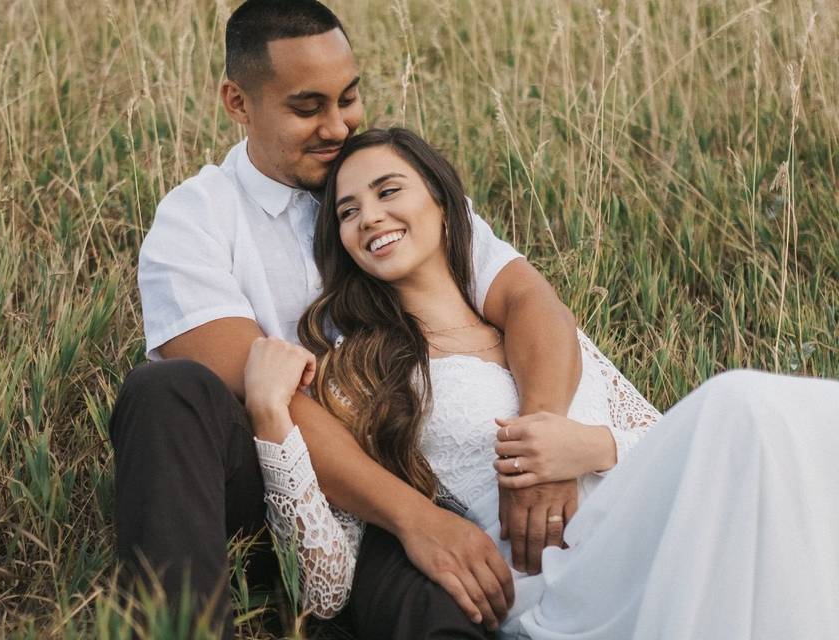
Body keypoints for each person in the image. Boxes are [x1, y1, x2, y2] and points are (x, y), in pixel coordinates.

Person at [244, 127, 839, 639]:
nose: (369, 216)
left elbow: (666, 445)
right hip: (561, 580)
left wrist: (588, 447)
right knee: (742, 403)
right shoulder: (361, 369)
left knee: (779, 454)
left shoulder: (544, 336)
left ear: (445, 205)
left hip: (653, 530)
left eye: (388, 191)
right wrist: (272, 415)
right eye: (347, 211)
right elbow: (324, 584)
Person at [108, 0, 585, 637]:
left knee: (446, 615)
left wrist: (540, 440)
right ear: (237, 102)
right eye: (307, 108)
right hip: (273, 481)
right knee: (167, 392)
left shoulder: (388, 187)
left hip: (410, 481)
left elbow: (528, 300)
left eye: (349, 97)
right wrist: (417, 519)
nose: (337, 125)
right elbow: (263, 394)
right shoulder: (196, 219)